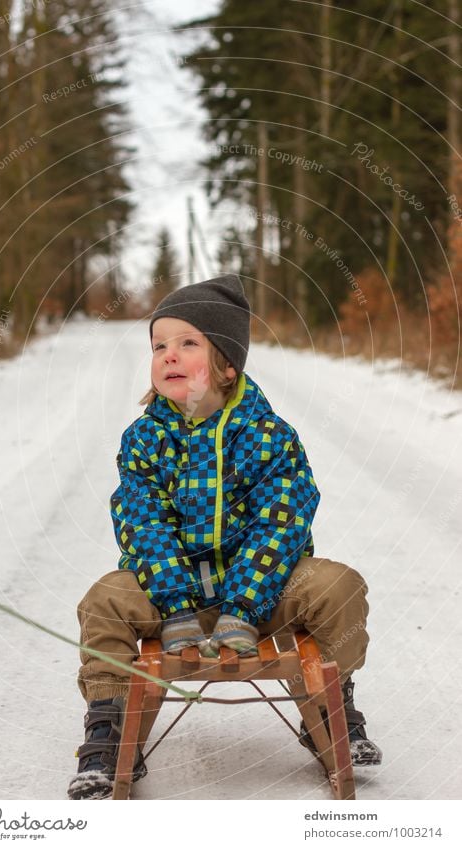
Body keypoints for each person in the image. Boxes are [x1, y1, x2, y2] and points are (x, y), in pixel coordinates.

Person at [67, 274, 382, 801]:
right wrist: (175, 606)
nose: (168, 355)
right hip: (172, 595)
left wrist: (243, 605)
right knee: (104, 600)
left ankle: (331, 706)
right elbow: (143, 522)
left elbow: (282, 522)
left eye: (188, 343)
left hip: (264, 595)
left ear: (227, 364)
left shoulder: (268, 436)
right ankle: (110, 722)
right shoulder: (145, 439)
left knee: (339, 586)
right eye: (159, 345)